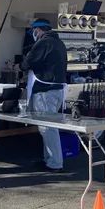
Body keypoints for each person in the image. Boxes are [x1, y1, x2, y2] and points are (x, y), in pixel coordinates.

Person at [12, 18, 68, 172]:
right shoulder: (59, 43)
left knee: (48, 129)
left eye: (34, 32)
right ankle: (49, 161)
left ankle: (55, 164)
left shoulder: (43, 43)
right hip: (57, 91)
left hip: (45, 92)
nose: (33, 35)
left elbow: (28, 62)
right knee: (49, 127)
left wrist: (16, 67)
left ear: (38, 30)